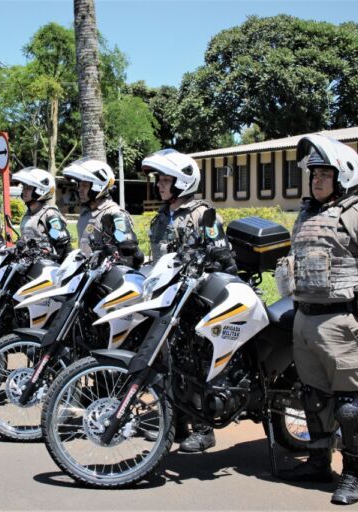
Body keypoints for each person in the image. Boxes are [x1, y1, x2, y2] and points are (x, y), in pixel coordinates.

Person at [275, 135, 358, 505]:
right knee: (312, 398)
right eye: (313, 174)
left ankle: (353, 475)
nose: (316, 180)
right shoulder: (307, 213)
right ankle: (318, 463)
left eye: (324, 174)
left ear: (343, 176)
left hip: (343, 324)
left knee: (349, 407)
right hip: (305, 320)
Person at [141, 148, 236, 453]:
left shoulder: (202, 214)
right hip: (167, 301)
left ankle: (204, 429)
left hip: (195, 302)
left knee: (195, 364)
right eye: (158, 179)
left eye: (165, 180)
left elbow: (222, 256)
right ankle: (175, 423)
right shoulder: (161, 216)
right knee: (168, 364)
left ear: (181, 181)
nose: (159, 185)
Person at [62, 158, 143, 269]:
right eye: (79, 185)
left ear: (97, 187)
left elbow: (130, 255)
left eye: (84, 185)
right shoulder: (86, 213)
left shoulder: (114, 214)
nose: (79, 189)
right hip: (86, 274)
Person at [12, 167, 71, 262]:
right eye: (24, 187)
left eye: (29, 188)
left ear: (40, 190)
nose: (24, 191)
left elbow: (63, 247)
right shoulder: (28, 214)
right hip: (28, 266)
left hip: (45, 267)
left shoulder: (49, 215)